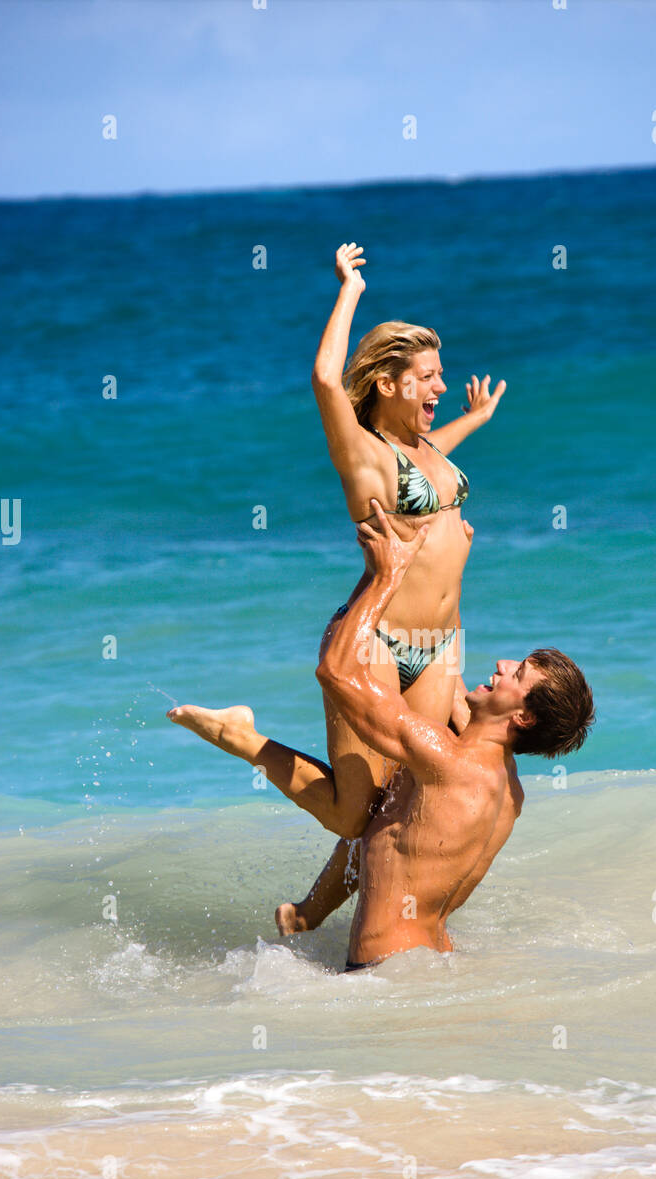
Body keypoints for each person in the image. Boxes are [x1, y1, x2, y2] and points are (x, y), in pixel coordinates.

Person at [174, 241, 506, 934]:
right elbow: (327, 379)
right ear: (387, 383)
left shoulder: (422, 450)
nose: (440, 386)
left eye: (441, 375)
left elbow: (438, 463)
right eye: (428, 377)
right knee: (355, 812)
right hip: (375, 640)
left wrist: (475, 420)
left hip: (438, 643)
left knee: (400, 802)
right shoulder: (365, 454)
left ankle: (305, 916)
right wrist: (349, 288)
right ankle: (242, 736)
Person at [167, 501, 595, 970]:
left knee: (363, 809)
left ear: (524, 718)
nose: (503, 664)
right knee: (384, 807)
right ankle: (305, 915)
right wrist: (448, 572)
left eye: (519, 673)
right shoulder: (509, 793)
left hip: (379, 975)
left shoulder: (443, 758)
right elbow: (450, 668)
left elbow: (336, 673)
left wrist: (385, 577)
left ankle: (239, 739)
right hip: (432, 966)